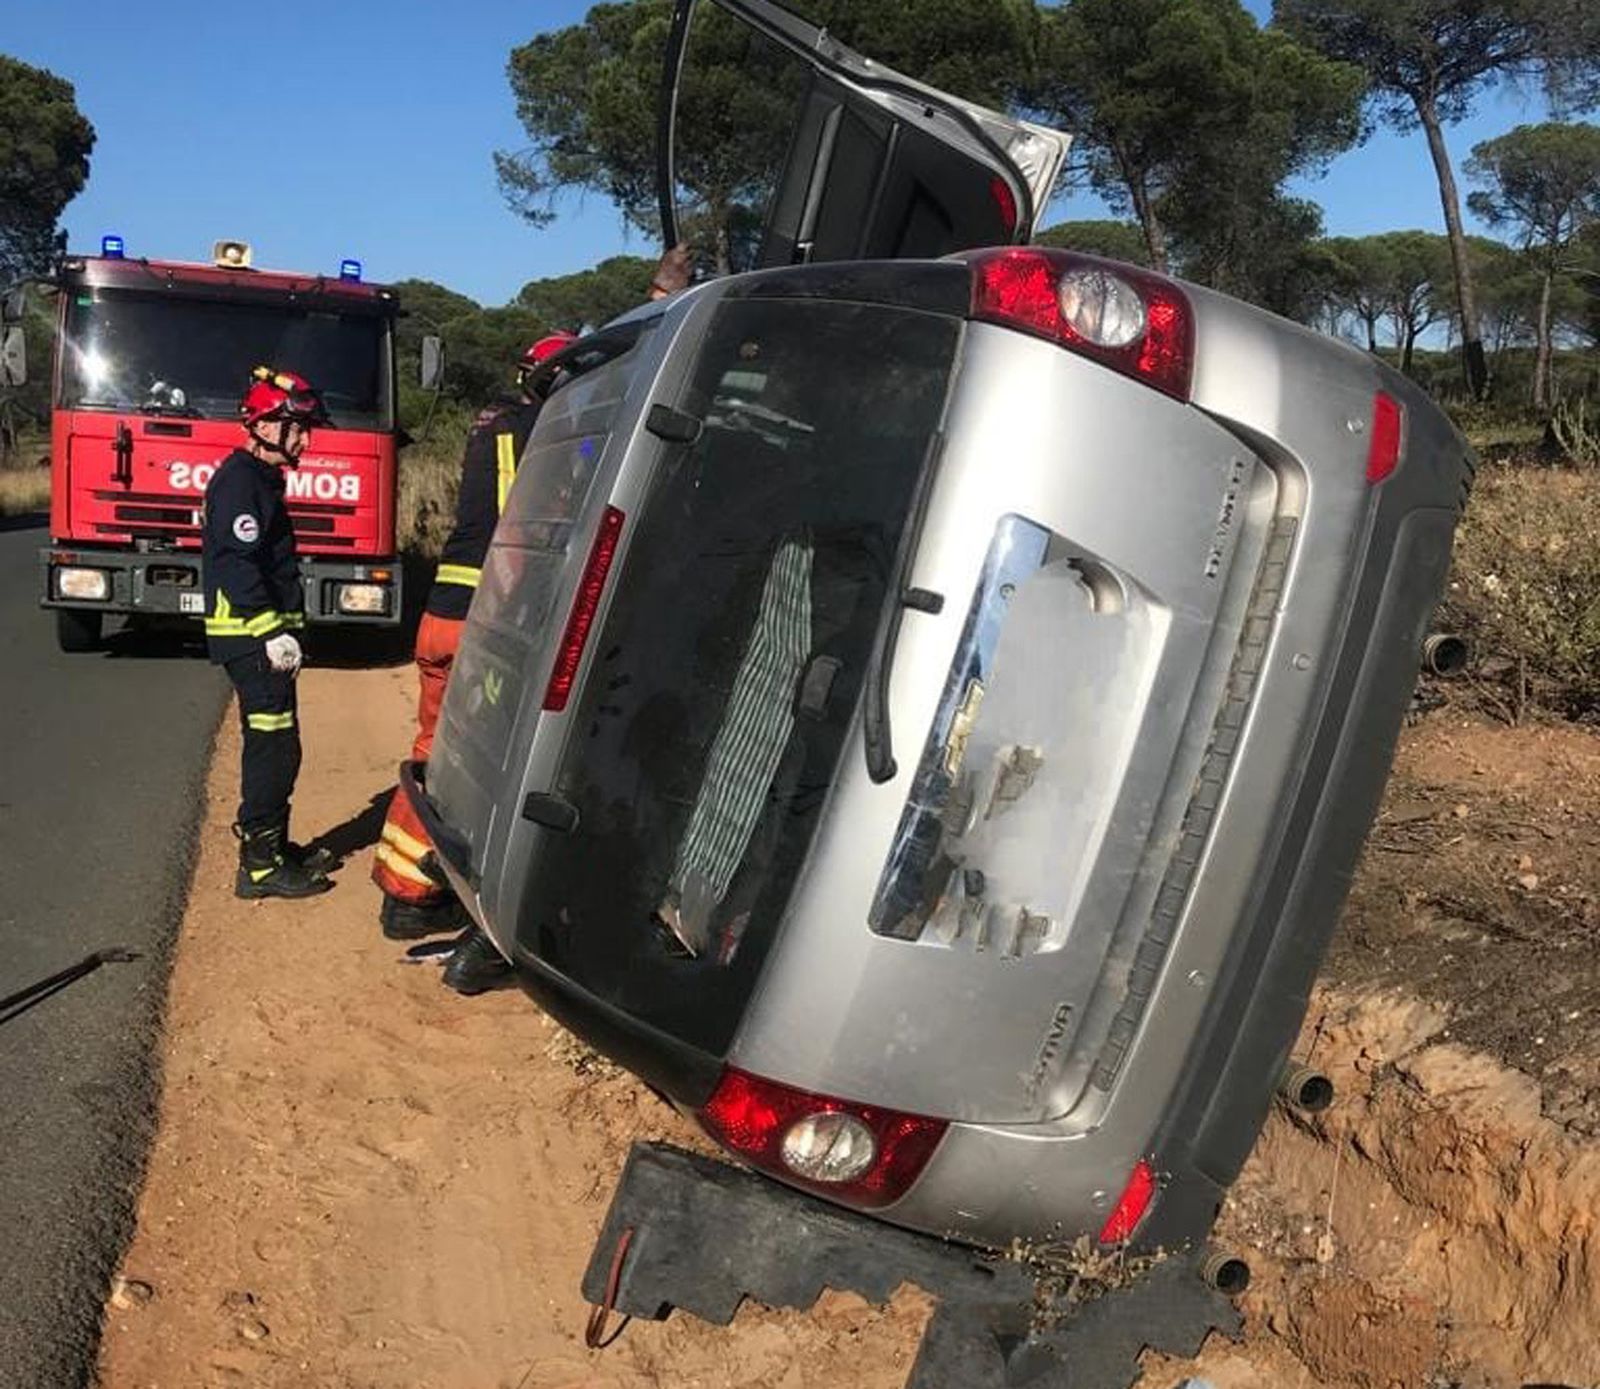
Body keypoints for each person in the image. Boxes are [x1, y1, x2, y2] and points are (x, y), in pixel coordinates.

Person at [371, 332, 578, 985]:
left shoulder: (489, 425)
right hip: (477, 628)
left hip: (440, 617)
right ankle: (456, 899)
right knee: (481, 765)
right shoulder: (534, 436)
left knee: (434, 748)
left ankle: (404, 894)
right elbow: (519, 534)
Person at [204, 367, 336, 900]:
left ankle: (274, 846)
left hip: (264, 641)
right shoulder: (241, 481)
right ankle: (259, 867)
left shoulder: (258, 480)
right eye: (295, 427)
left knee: (283, 747)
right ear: (262, 426)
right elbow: (239, 565)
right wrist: (270, 633)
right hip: (254, 641)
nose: (304, 439)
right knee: (272, 750)